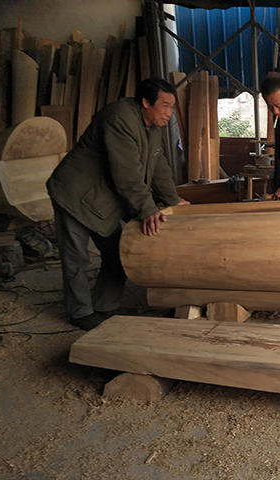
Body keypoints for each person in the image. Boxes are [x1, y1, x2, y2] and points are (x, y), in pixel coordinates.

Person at [47, 78, 185, 331]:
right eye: (164, 106)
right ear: (145, 102)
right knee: (76, 258)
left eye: (172, 107)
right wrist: (147, 209)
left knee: (119, 255)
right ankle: (80, 313)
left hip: (103, 201)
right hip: (75, 194)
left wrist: (173, 200)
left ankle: (104, 307)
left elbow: (158, 165)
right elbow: (127, 174)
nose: (169, 113)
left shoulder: (153, 126)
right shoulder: (119, 118)